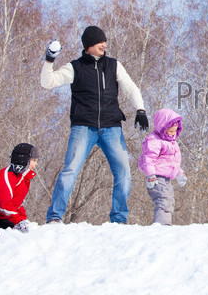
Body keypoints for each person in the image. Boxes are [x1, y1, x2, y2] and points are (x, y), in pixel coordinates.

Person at [41, 25, 149, 224]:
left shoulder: (114, 65)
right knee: (70, 169)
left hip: (111, 127)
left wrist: (140, 109)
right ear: (89, 44)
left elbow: (131, 88)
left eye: (105, 41)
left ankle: (119, 219)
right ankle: (55, 217)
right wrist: (49, 59)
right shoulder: (76, 67)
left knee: (123, 172)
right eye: (100, 41)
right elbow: (48, 82)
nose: (104, 44)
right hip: (84, 127)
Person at [138, 108, 187, 225]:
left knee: (169, 201)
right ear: (163, 128)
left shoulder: (172, 143)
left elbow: (172, 163)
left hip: (166, 180)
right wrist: (150, 175)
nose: (173, 134)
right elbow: (148, 159)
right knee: (163, 200)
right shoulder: (154, 140)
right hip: (156, 178)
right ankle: (161, 226)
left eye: (175, 131)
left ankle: (165, 224)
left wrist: (180, 174)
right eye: (170, 131)